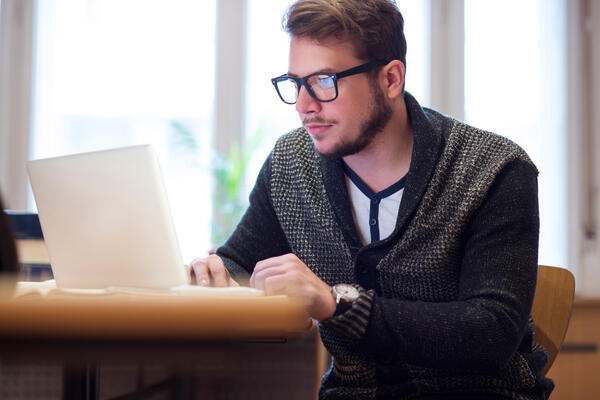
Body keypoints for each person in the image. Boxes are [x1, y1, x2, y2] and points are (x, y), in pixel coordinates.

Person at [189, 0, 553, 398]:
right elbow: (239, 264)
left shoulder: (493, 169)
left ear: (391, 79)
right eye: (296, 83)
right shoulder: (291, 165)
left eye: (325, 81)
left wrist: (336, 304)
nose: (304, 105)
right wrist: (210, 275)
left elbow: (490, 332)